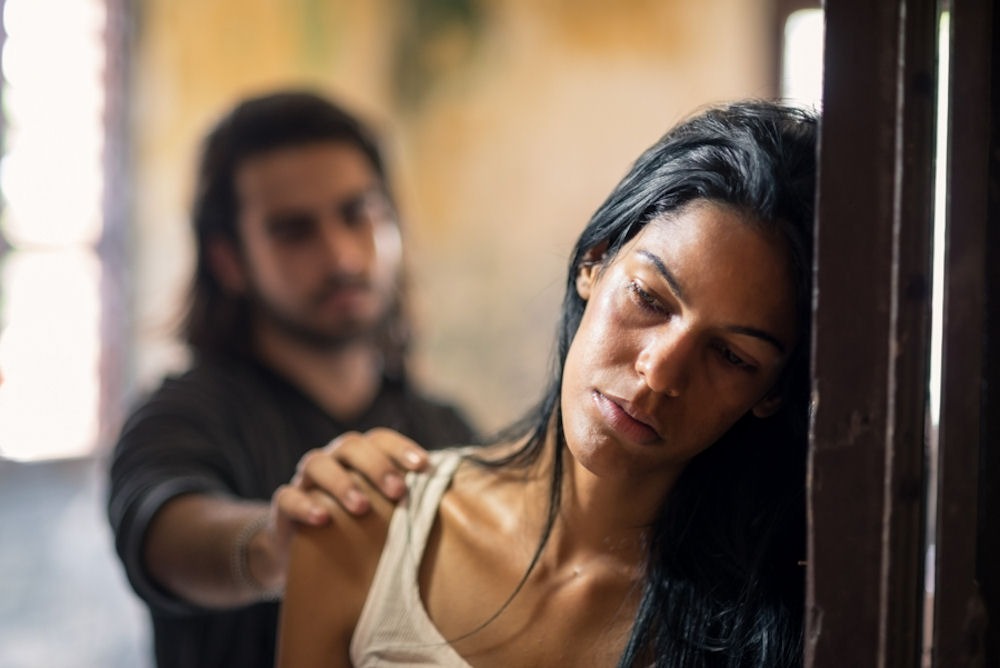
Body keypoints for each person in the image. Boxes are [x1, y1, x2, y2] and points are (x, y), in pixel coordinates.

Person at [276, 100, 817, 667]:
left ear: (772, 393)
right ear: (594, 261)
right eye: (650, 298)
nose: (659, 372)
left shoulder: (776, 627)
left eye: (731, 356)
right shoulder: (361, 529)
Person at [107, 90, 477, 668]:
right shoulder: (179, 415)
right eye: (294, 231)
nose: (342, 258)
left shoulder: (446, 427)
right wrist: (276, 545)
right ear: (229, 260)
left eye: (358, 214)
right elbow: (162, 531)